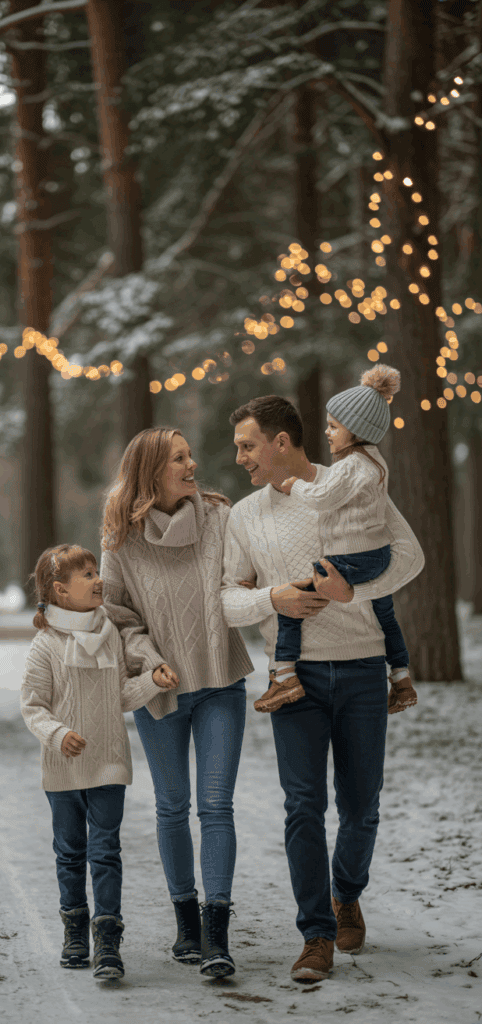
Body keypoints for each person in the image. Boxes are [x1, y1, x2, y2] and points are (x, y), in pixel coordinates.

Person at [221, 395, 424, 984]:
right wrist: (272, 599)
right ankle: (316, 934)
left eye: (248, 445)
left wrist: (350, 594)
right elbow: (228, 599)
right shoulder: (247, 515)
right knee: (303, 806)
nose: (240, 459)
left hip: (362, 670)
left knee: (361, 810)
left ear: (281, 442)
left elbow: (410, 557)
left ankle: (346, 892)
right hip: (295, 680)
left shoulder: (351, 483)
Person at [100, 427, 253, 979]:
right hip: (159, 688)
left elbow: (239, 583)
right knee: (171, 806)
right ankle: (185, 923)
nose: (193, 464)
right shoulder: (121, 537)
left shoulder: (218, 516)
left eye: (191, 454)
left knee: (215, 806)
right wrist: (147, 658)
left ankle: (216, 934)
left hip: (219, 680)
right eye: (179, 459)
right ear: (150, 472)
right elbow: (117, 615)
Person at [20, 543, 174, 980]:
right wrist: (58, 734)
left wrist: (151, 681)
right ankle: (74, 931)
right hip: (63, 770)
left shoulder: (110, 635)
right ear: (60, 590)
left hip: (108, 762)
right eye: (86, 574)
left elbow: (119, 696)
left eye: (95, 571)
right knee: (70, 853)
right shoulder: (45, 645)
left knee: (106, 852)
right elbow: (33, 706)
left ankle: (107, 939)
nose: (98, 579)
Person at [254, 365, 418, 715]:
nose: (327, 433)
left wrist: (294, 485)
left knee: (291, 602)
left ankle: (284, 676)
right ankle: (401, 679)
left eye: (333, 427)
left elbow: (322, 499)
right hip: (377, 556)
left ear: (355, 430)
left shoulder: (348, 465)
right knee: (385, 616)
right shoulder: (376, 462)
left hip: (348, 559)